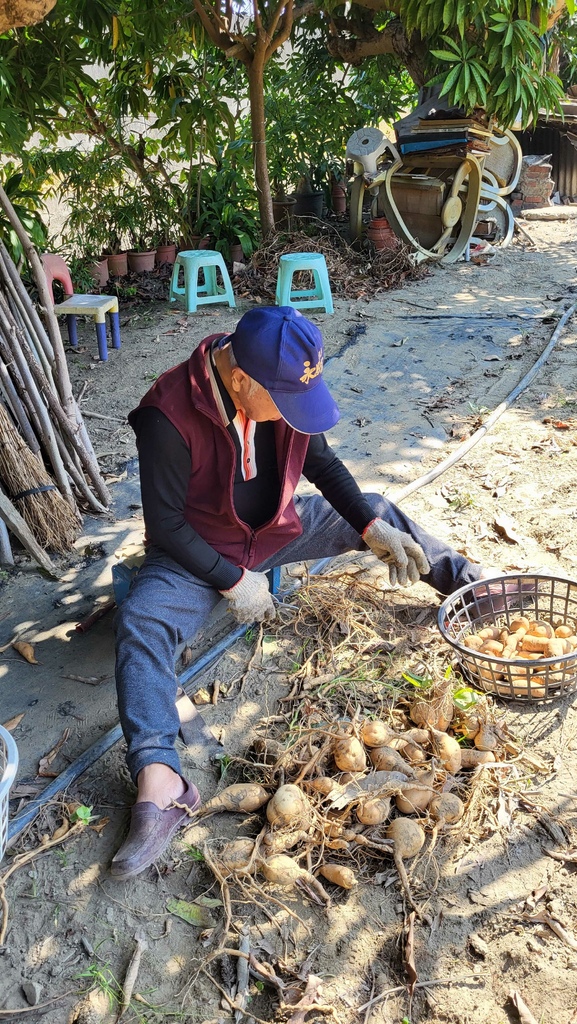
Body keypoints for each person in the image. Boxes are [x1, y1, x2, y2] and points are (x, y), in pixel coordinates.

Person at [111, 305, 488, 880]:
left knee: (381, 512)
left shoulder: (278, 386)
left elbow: (323, 463)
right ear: (240, 379)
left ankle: (473, 589)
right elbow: (165, 526)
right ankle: (161, 779)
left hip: (275, 531)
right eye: (283, 400)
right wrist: (235, 580)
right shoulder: (168, 414)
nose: (292, 411)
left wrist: (368, 526)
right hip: (196, 552)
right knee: (142, 623)